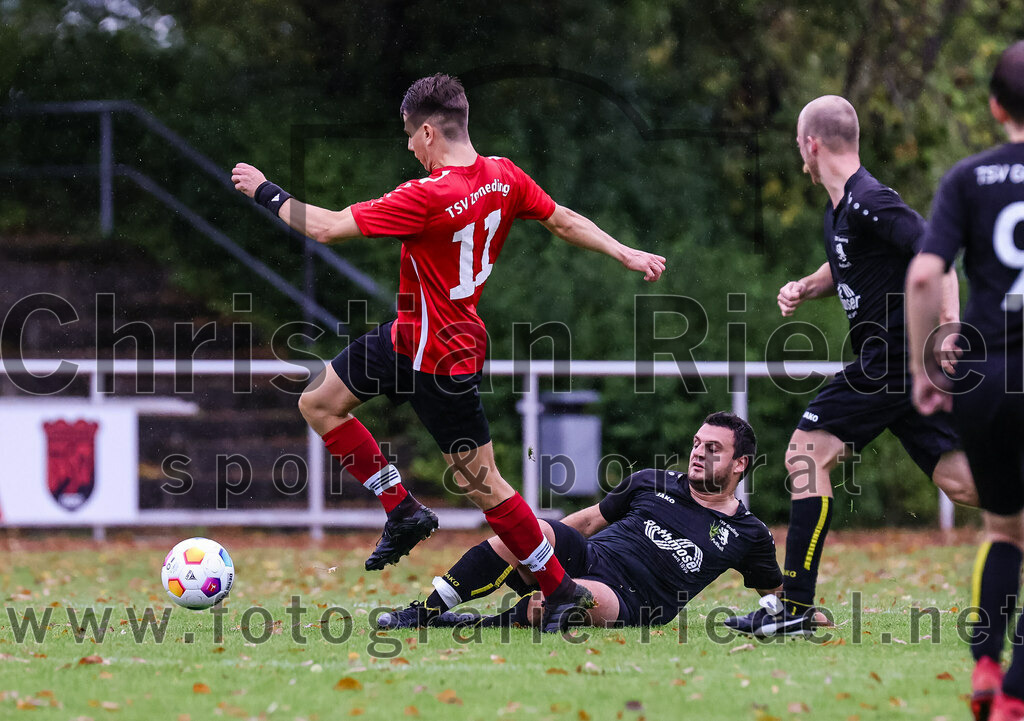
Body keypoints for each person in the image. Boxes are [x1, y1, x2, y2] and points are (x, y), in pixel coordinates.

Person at [231, 74, 666, 632]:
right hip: (407, 336)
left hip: (442, 357)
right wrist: (624, 252)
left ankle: (561, 589)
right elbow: (561, 218)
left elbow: (326, 227)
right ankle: (403, 509)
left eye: (411, 136)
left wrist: (265, 189)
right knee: (318, 402)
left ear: (431, 132)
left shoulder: (428, 196)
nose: (409, 146)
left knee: (485, 485)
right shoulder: (503, 176)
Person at [724, 95, 978, 638]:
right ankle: (794, 608)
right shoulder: (840, 212)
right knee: (963, 484)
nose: (800, 157)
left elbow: (938, 254)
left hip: (889, 361)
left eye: (799, 146)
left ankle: (795, 606)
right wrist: (806, 286)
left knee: (804, 455)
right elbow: (847, 260)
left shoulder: (871, 200)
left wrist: (948, 326)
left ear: (812, 145)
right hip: (896, 370)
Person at [375, 412, 787, 632]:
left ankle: (471, 623)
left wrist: (809, 615)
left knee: (555, 605)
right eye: (697, 443)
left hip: (631, 598)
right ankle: (423, 614)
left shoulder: (749, 533)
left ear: (739, 464)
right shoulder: (651, 481)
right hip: (590, 554)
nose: (698, 452)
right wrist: (532, 558)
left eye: (712, 448)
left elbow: (780, 595)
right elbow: (586, 522)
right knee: (525, 530)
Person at [906, 41, 1024, 721]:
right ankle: (1013, 693)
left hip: (985, 376)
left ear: (994, 105)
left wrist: (928, 367)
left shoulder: (968, 178)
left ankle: (985, 663)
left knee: (1004, 527)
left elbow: (924, 273)